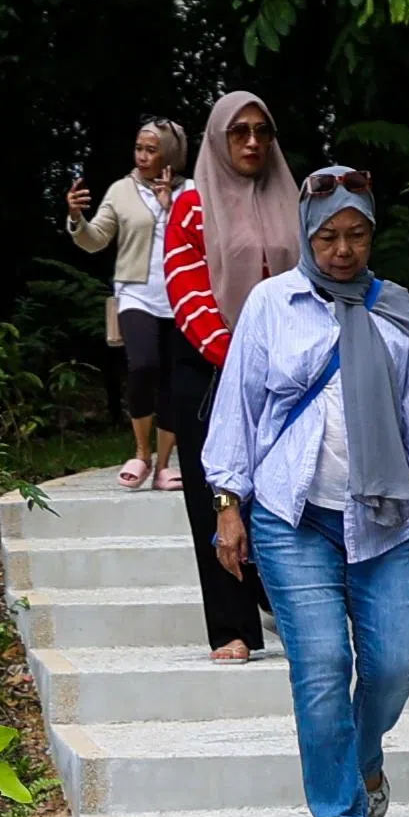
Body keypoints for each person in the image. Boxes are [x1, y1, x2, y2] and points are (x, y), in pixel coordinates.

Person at [201, 164, 409, 817]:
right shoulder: (270, 306)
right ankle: (336, 815)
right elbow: (239, 406)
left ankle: (364, 753)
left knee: (396, 662)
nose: (343, 250)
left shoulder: (394, 309)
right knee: (320, 662)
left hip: (381, 519)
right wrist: (229, 504)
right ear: (308, 236)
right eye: (329, 237)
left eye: (357, 235)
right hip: (293, 516)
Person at [156, 90, 299, 662]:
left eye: (262, 132)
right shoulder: (192, 207)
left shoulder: (296, 200)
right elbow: (187, 295)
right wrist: (242, 360)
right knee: (215, 499)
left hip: (290, 373)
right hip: (212, 370)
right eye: (239, 132)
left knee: (287, 493)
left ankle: (288, 600)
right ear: (217, 139)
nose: (252, 143)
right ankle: (233, 628)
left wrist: (290, 361)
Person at [65, 123, 184, 488]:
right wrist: (75, 218)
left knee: (173, 380)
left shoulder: (193, 192)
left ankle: (164, 465)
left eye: (151, 149)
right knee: (143, 364)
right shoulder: (121, 190)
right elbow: (96, 239)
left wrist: (170, 208)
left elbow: (204, 238)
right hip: (136, 294)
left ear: (170, 154)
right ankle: (140, 453)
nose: (142, 156)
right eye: (138, 148)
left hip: (181, 297)